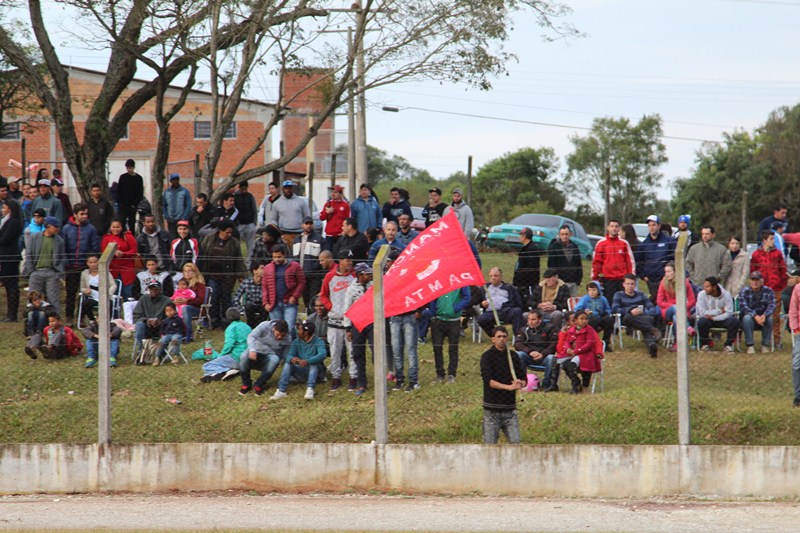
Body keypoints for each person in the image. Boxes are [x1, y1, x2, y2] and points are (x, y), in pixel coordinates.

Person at [480, 326, 526, 444]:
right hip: (492, 409)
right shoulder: (487, 356)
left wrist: (520, 383)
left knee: (516, 443)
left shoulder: (513, 356)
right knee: (490, 446)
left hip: (510, 410)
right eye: (499, 336)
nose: (502, 339)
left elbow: (523, 378)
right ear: (493, 339)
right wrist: (509, 387)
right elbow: (489, 381)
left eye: (504, 337)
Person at [197, 218, 246, 329]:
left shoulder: (234, 243)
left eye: (230, 232)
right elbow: (201, 256)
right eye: (227, 232)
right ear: (220, 230)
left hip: (227, 276)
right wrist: (199, 273)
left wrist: (241, 275)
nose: (229, 234)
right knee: (213, 298)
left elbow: (238, 260)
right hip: (211, 275)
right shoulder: (208, 240)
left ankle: (226, 321)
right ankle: (213, 321)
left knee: (226, 298)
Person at [319, 249, 357, 391]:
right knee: (335, 350)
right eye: (347, 260)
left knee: (352, 350)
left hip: (350, 321)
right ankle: (336, 376)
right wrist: (330, 307)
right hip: (334, 320)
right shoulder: (330, 277)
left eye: (351, 260)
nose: (350, 263)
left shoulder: (354, 276)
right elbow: (323, 294)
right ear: (340, 261)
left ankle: (353, 377)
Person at [270, 319, 328, 401]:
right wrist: (293, 359)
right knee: (288, 363)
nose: (297, 331)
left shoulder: (318, 341)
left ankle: (310, 389)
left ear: (306, 333)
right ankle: (281, 391)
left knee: (314, 363)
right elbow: (289, 355)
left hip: (317, 374)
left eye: (300, 329)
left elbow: (322, 354)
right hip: (302, 371)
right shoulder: (296, 341)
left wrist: (308, 361)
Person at [61, 203, 101, 321]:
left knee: (85, 292)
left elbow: (94, 247)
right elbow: (64, 247)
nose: (84, 216)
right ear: (75, 215)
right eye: (82, 214)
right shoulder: (67, 228)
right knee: (71, 292)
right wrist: (66, 262)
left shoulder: (91, 229)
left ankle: (81, 317)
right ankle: (69, 316)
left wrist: (89, 262)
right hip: (71, 265)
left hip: (85, 266)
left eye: (86, 214)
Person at [750, 230, 787, 348]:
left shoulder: (777, 254)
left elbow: (783, 270)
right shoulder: (756, 254)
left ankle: (776, 339)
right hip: (761, 289)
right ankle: (765, 339)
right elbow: (753, 271)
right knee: (762, 313)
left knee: (775, 315)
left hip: (776, 288)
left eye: (773, 239)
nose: (773, 241)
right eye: (771, 239)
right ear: (764, 240)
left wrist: (781, 284)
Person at [612, 274, 661, 358]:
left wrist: (651, 314)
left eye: (632, 284)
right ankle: (652, 329)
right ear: (623, 284)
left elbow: (650, 306)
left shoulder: (640, 294)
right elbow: (615, 309)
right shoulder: (618, 295)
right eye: (628, 284)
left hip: (641, 318)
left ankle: (652, 346)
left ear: (635, 285)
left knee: (647, 321)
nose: (630, 286)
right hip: (627, 318)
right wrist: (630, 311)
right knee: (630, 318)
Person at [262, 244, 306, 339]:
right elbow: (265, 287)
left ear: (284, 255)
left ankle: (291, 349)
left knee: (289, 327)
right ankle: (278, 349)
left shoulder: (294, 266)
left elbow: (301, 282)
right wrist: (265, 302)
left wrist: (294, 296)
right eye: (274, 257)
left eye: (279, 257)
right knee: (276, 329)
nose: (277, 259)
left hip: (289, 303)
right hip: (274, 303)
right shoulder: (268, 268)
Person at [23, 216, 65, 313]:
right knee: (34, 298)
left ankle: (54, 320)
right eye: (55, 226)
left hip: (52, 272)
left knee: (53, 299)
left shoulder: (59, 240)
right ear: (48, 226)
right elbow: (29, 254)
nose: (58, 229)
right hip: (36, 271)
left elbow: (62, 257)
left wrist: (58, 272)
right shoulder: (34, 237)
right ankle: (33, 320)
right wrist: (31, 271)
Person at [344, 262, 374, 395]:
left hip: (373, 322)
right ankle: (362, 383)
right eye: (367, 274)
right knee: (358, 354)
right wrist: (348, 328)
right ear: (360, 275)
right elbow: (347, 308)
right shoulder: (351, 289)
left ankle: (380, 381)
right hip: (357, 324)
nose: (370, 275)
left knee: (376, 352)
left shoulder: (374, 286)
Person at [239, 319, 291, 396]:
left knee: (275, 359)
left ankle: (259, 384)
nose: (279, 337)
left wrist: (286, 361)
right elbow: (251, 336)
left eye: (282, 336)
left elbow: (286, 352)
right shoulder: (264, 326)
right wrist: (252, 349)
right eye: (277, 334)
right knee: (243, 356)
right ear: (274, 329)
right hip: (255, 350)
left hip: (269, 354)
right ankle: (246, 383)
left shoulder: (287, 338)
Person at [429, 286, 471, 384]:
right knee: (437, 347)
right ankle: (440, 374)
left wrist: (455, 308)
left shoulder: (460, 280)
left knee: (453, 348)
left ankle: (451, 374)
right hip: (438, 319)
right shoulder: (438, 280)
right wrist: (433, 312)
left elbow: (467, 297)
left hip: (453, 321)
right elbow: (432, 295)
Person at [199, 307, 253, 383]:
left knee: (207, 365)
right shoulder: (247, 326)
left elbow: (229, 345)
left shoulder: (231, 328)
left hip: (237, 357)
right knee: (222, 361)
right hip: (249, 357)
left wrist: (220, 356)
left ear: (228, 317)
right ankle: (214, 374)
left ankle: (228, 371)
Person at [555, 310, 602, 393]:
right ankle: (576, 383)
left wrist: (577, 351)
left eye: (586, 319)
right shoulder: (571, 330)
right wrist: (568, 349)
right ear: (576, 320)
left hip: (585, 354)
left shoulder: (589, 330)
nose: (584, 321)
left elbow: (589, 344)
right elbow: (567, 341)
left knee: (578, 365)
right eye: (582, 319)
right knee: (565, 364)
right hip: (573, 354)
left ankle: (584, 386)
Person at [592, 219, 635, 304]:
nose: (614, 228)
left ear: (619, 229)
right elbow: (597, 263)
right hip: (608, 280)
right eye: (612, 226)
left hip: (622, 280)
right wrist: (596, 278)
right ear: (608, 228)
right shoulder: (601, 244)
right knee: (609, 302)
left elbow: (630, 262)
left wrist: (630, 277)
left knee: (624, 302)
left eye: (616, 226)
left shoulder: (624, 243)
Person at [514, 309, 557, 391]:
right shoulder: (524, 330)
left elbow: (554, 344)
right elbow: (517, 343)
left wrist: (543, 354)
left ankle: (546, 385)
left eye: (533, 319)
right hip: (529, 356)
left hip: (544, 357)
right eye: (529, 319)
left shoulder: (550, 328)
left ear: (540, 320)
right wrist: (530, 352)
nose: (530, 322)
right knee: (519, 355)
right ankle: (522, 382)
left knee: (551, 358)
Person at [656, 263, 696, 350]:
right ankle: (687, 327)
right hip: (667, 311)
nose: (667, 274)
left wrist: (682, 307)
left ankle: (677, 343)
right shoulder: (663, 283)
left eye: (669, 271)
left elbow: (692, 300)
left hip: (683, 311)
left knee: (676, 317)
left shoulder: (685, 283)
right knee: (674, 309)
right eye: (665, 272)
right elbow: (659, 301)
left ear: (675, 272)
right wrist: (675, 306)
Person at [635, 215, 676, 301]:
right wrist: (643, 276)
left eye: (654, 225)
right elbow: (638, 261)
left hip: (666, 279)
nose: (651, 227)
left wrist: (669, 274)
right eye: (649, 225)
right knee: (654, 301)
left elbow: (675, 258)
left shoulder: (669, 241)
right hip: (651, 280)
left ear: (659, 226)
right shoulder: (644, 244)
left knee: (667, 300)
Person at [476, 267, 524, 337]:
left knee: (517, 311)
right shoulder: (485, 288)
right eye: (491, 276)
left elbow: (518, 302)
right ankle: (495, 336)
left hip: (506, 311)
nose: (493, 278)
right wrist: (482, 304)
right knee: (481, 319)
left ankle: (518, 337)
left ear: (501, 277)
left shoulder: (509, 287)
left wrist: (510, 306)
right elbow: (478, 301)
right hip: (490, 312)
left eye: (496, 276)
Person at [695, 276, 738, 352]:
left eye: (707, 286)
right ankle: (705, 344)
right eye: (704, 286)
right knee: (702, 321)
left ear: (714, 287)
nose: (705, 288)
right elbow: (701, 312)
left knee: (734, 321)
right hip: (708, 320)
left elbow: (729, 312)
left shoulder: (726, 295)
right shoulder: (701, 295)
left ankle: (728, 345)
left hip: (723, 320)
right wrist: (720, 311)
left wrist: (715, 318)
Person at [132, 280, 171, 359]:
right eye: (151, 289)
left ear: (160, 290)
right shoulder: (143, 299)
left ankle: (160, 352)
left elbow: (172, 318)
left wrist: (160, 322)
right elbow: (136, 316)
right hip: (146, 327)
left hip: (161, 328)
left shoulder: (167, 301)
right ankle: (142, 351)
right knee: (139, 325)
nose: (153, 291)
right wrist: (146, 320)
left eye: (155, 289)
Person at [739, 271, 776, 354]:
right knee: (747, 318)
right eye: (753, 280)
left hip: (763, 317)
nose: (755, 282)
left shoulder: (769, 291)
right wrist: (755, 316)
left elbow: (772, 306)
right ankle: (750, 345)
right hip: (750, 318)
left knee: (769, 319)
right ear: (750, 281)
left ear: (762, 281)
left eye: (757, 280)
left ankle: (765, 345)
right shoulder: (744, 291)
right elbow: (743, 307)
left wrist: (764, 315)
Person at [101, 219, 138, 299]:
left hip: (127, 271)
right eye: (113, 227)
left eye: (118, 227)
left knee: (128, 294)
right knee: (114, 295)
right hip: (113, 271)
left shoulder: (128, 236)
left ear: (122, 227)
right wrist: (113, 253)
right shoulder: (106, 238)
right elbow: (103, 253)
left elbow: (134, 250)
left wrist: (123, 254)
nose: (115, 229)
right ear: (110, 228)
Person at [292, 216, 325, 307]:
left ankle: (312, 318)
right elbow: (294, 257)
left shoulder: (319, 239)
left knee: (313, 299)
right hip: (301, 276)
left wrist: (317, 270)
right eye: (306, 223)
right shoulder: (296, 240)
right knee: (306, 300)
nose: (309, 226)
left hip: (314, 276)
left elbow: (323, 257)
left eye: (310, 223)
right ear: (302, 225)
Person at [269, 180, 311, 248]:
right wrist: (277, 229)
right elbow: (273, 218)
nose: (288, 190)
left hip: (299, 233)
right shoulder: (277, 203)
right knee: (286, 254)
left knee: (298, 254)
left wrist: (305, 228)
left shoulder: (301, 201)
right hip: (284, 233)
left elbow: (307, 216)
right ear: (283, 189)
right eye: (286, 188)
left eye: (290, 188)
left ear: (293, 189)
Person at [574, 281, 614, 349]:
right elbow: (577, 309)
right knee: (593, 319)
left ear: (598, 290)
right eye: (589, 290)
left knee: (609, 320)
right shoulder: (585, 299)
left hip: (600, 317)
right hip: (588, 319)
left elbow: (608, 309)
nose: (592, 292)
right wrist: (584, 312)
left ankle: (606, 342)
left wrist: (605, 313)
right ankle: (593, 342)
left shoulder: (603, 299)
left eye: (594, 290)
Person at [0, 199, 23, 321]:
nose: (2, 210)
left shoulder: (13, 222)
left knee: (12, 286)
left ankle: (12, 314)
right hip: (4, 257)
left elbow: (4, 239)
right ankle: (9, 313)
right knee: (7, 286)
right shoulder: (5, 222)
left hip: (10, 257)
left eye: (4, 208)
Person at [546, 225, 583, 297]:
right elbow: (551, 264)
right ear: (559, 235)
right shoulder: (554, 247)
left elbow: (579, 264)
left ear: (570, 234)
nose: (565, 236)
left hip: (573, 281)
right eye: (562, 234)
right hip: (560, 281)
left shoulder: (574, 246)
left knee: (572, 303)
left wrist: (578, 280)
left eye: (566, 234)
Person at [78, 254, 115, 323]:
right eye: (90, 262)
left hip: (104, 296)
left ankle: (107, 322)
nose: (93, 264)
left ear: (98, 262)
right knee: (85, 303)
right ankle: (93, 320)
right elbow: (82, 288)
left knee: (110, 303)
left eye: (95, 262)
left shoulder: (105, 271)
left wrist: (108, 293)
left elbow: (113, 285)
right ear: (87, 263)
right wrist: (85, 291)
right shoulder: (84, 273)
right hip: (92, 296)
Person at [175, 262, 207, 343]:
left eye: (190, 271)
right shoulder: (181, 284)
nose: (187, 273)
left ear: (195, 272)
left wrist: (187, 301)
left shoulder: (199, 285)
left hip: (196, 308)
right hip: (180, 307)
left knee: (185, 308)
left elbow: (201, 300)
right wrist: (175, 300)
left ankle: (187, 335)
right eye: (185, 271)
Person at [233, 262, 268, 328]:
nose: (265, 270)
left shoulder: (266, 283)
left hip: (262, 305)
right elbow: (236, 297)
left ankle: (261, 327)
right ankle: (250, 327)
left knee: (264, 310)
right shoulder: (246, 282)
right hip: (250, 306)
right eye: (262, 268)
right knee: (248, 307)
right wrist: (241, 310)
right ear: (255, 271)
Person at [513, 228, 541, 302]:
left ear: (525, 236)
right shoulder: (525, 248)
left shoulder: (532, 249)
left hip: (528, 283)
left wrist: (522, 278)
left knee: (528, 300)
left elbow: (532, 267)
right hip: (521, 282)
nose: (520, 237)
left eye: (521, 235)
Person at [162, 173, 192, 239]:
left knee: (182, 237)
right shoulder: (166, 192)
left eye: (177, 179)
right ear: (170, 181)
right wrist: (166, 216)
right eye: (173, 180)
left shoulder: (184, 191)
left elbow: (188, 205)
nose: (175, 181)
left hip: (181, 219)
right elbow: (164, 205)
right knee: (172, 238)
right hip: (171, 220)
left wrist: (184, 217)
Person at [117, 159, 144, 233]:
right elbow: (119, 190)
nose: (129, 170)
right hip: (123, 205)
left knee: (131, 222)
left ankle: (131, 237)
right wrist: (120, 202)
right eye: (127, 168)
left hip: (132, 205)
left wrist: (135, 204)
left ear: (133, 167)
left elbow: (140, 192)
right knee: (122, 221)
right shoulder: (123, 177)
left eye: (130, 168)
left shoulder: (138, 178)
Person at [234, 181, 258, 263]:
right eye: (243, 188)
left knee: (250, 244)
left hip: (249, 223)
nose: (244, 190)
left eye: (245, 188)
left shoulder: (250, 196)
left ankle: (249, 261)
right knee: (237, 244)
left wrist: (254, 222)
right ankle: (238, 261)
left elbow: (254, 209)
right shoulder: (235, 196)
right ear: (239, 188)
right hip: (239, 224)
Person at [320, 184, 350, 250]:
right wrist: (327, 212)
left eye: (335, 192)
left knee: (339, 253)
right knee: (329, 254)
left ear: (340, 194)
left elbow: (348, 219)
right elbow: (322, 217)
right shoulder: (328, 204)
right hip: (329, 234)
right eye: (332, 192)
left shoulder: (345, 205)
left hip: (340, 234)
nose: (333, 194)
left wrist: (345, 232)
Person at [787, 276, 800, 407]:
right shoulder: (798, 288)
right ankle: (798, 397)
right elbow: (793, 310)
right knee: (797, 364)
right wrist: (795, 328)